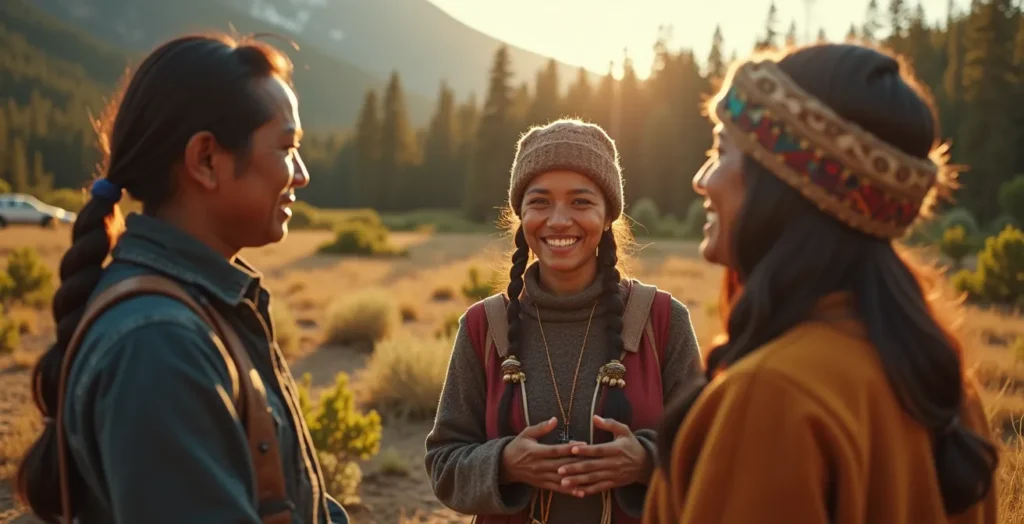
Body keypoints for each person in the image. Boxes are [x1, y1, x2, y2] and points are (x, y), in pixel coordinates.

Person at [644, 43, 999, 524]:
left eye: (721, 151)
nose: (702, 179)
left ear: (785, 184)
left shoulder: (771, 394)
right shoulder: (942, 384)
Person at [16, 34, 349, 524]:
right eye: (286, 147)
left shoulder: (195, 310)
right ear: (206, 160)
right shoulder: (159, 344)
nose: (300, 174)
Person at [425, 119, 704, 524]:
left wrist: (646, 461)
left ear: (607, 216)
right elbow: (443, 464)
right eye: (539, 202)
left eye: (580, 202)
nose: (558, 220)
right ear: (520, 214)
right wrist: (504, 464)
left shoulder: (661, 320)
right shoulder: (484, 326)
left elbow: (709, 452)